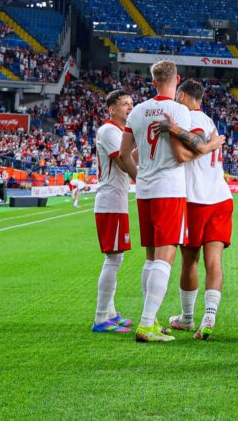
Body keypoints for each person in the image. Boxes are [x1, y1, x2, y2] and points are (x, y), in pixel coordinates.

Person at [120, 60, 214, 343]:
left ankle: (151, 318)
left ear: (152, 82)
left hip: (145, 191)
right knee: (166, 257)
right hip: (169, 189)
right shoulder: (178, 110)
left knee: (150, 258)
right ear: (177, 79)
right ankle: (146, 324)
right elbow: (187, 150)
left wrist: (140, 177)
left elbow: (125, 153)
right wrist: (211, 145)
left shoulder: (136, 111)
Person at [164, 79, 232, 341]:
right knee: (214, 261)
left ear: (182, 95)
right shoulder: (210, 120)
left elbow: (196, 141)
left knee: (189, 260)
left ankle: (188, 317)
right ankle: (210, 317)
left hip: (196, 200)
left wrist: (174, 128)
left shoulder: (192, 117)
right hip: (220, 197)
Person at [91, 89, 137, 334]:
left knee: (115, 258)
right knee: (113, 258)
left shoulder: (118, 132)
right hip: (110, 201)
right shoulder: (109, 131)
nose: (130, 107)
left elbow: (129, 157)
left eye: (131, 103)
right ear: (112, 109)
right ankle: (100, 318)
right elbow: (124, 163)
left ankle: (110, 312)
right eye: (124, 104)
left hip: (116, 201)